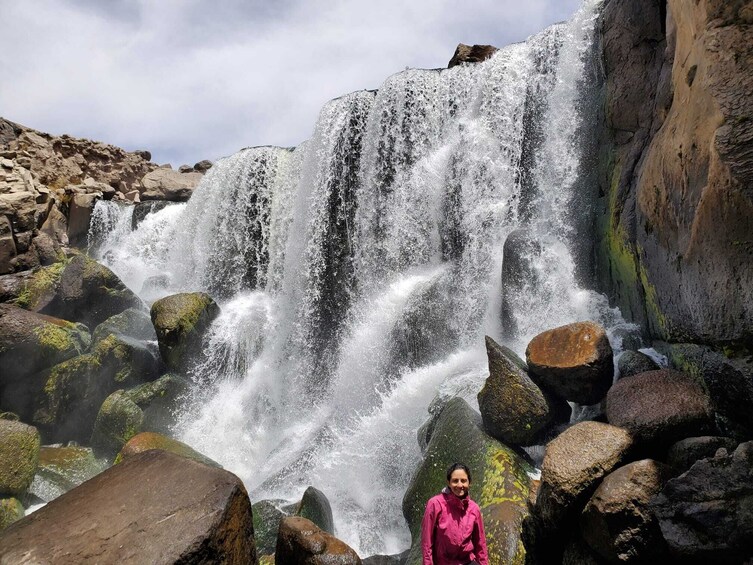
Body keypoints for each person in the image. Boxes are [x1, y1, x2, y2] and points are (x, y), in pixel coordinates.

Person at [420, 462, 489, 565]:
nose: (460, 485)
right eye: (455, 481)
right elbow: (427, 541)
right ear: (448, 482)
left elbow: (480, 543)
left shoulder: (474, 508)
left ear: (469, 483)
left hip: (467, 561)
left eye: (464, 481)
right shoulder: (435, 504)